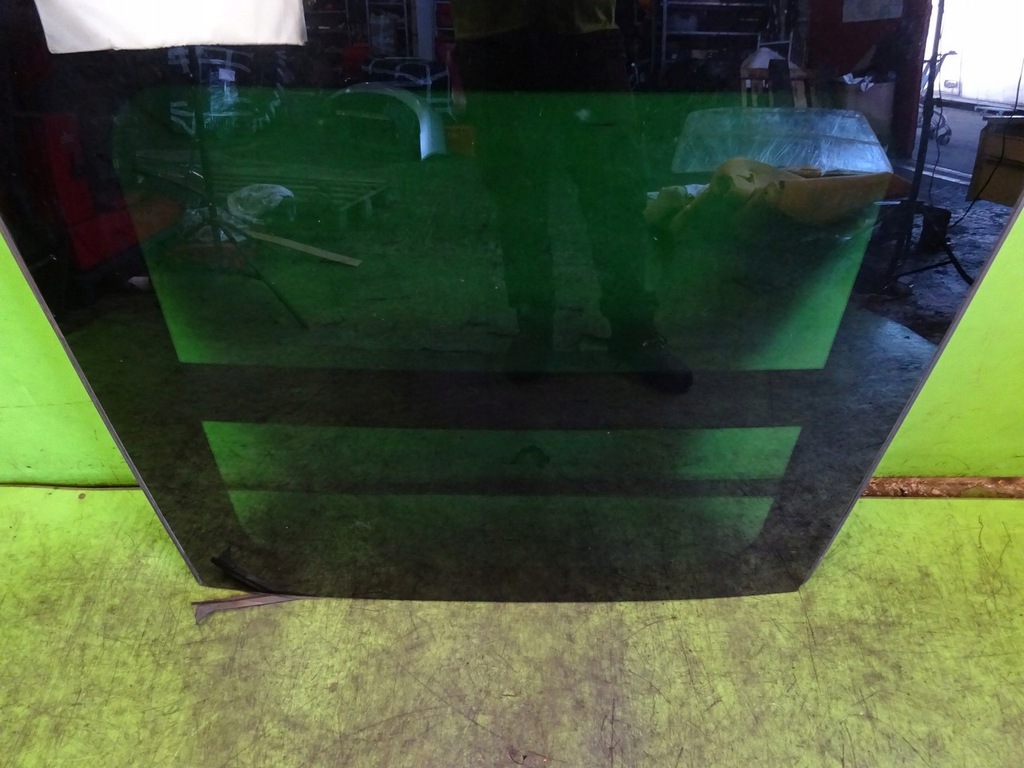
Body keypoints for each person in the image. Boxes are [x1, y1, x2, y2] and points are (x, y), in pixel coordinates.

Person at [450, 0, 692, 393]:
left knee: (614, 192)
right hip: (497, 36)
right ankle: (534, 326)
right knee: (518, 196)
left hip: (582, 32)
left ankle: (632, 329)